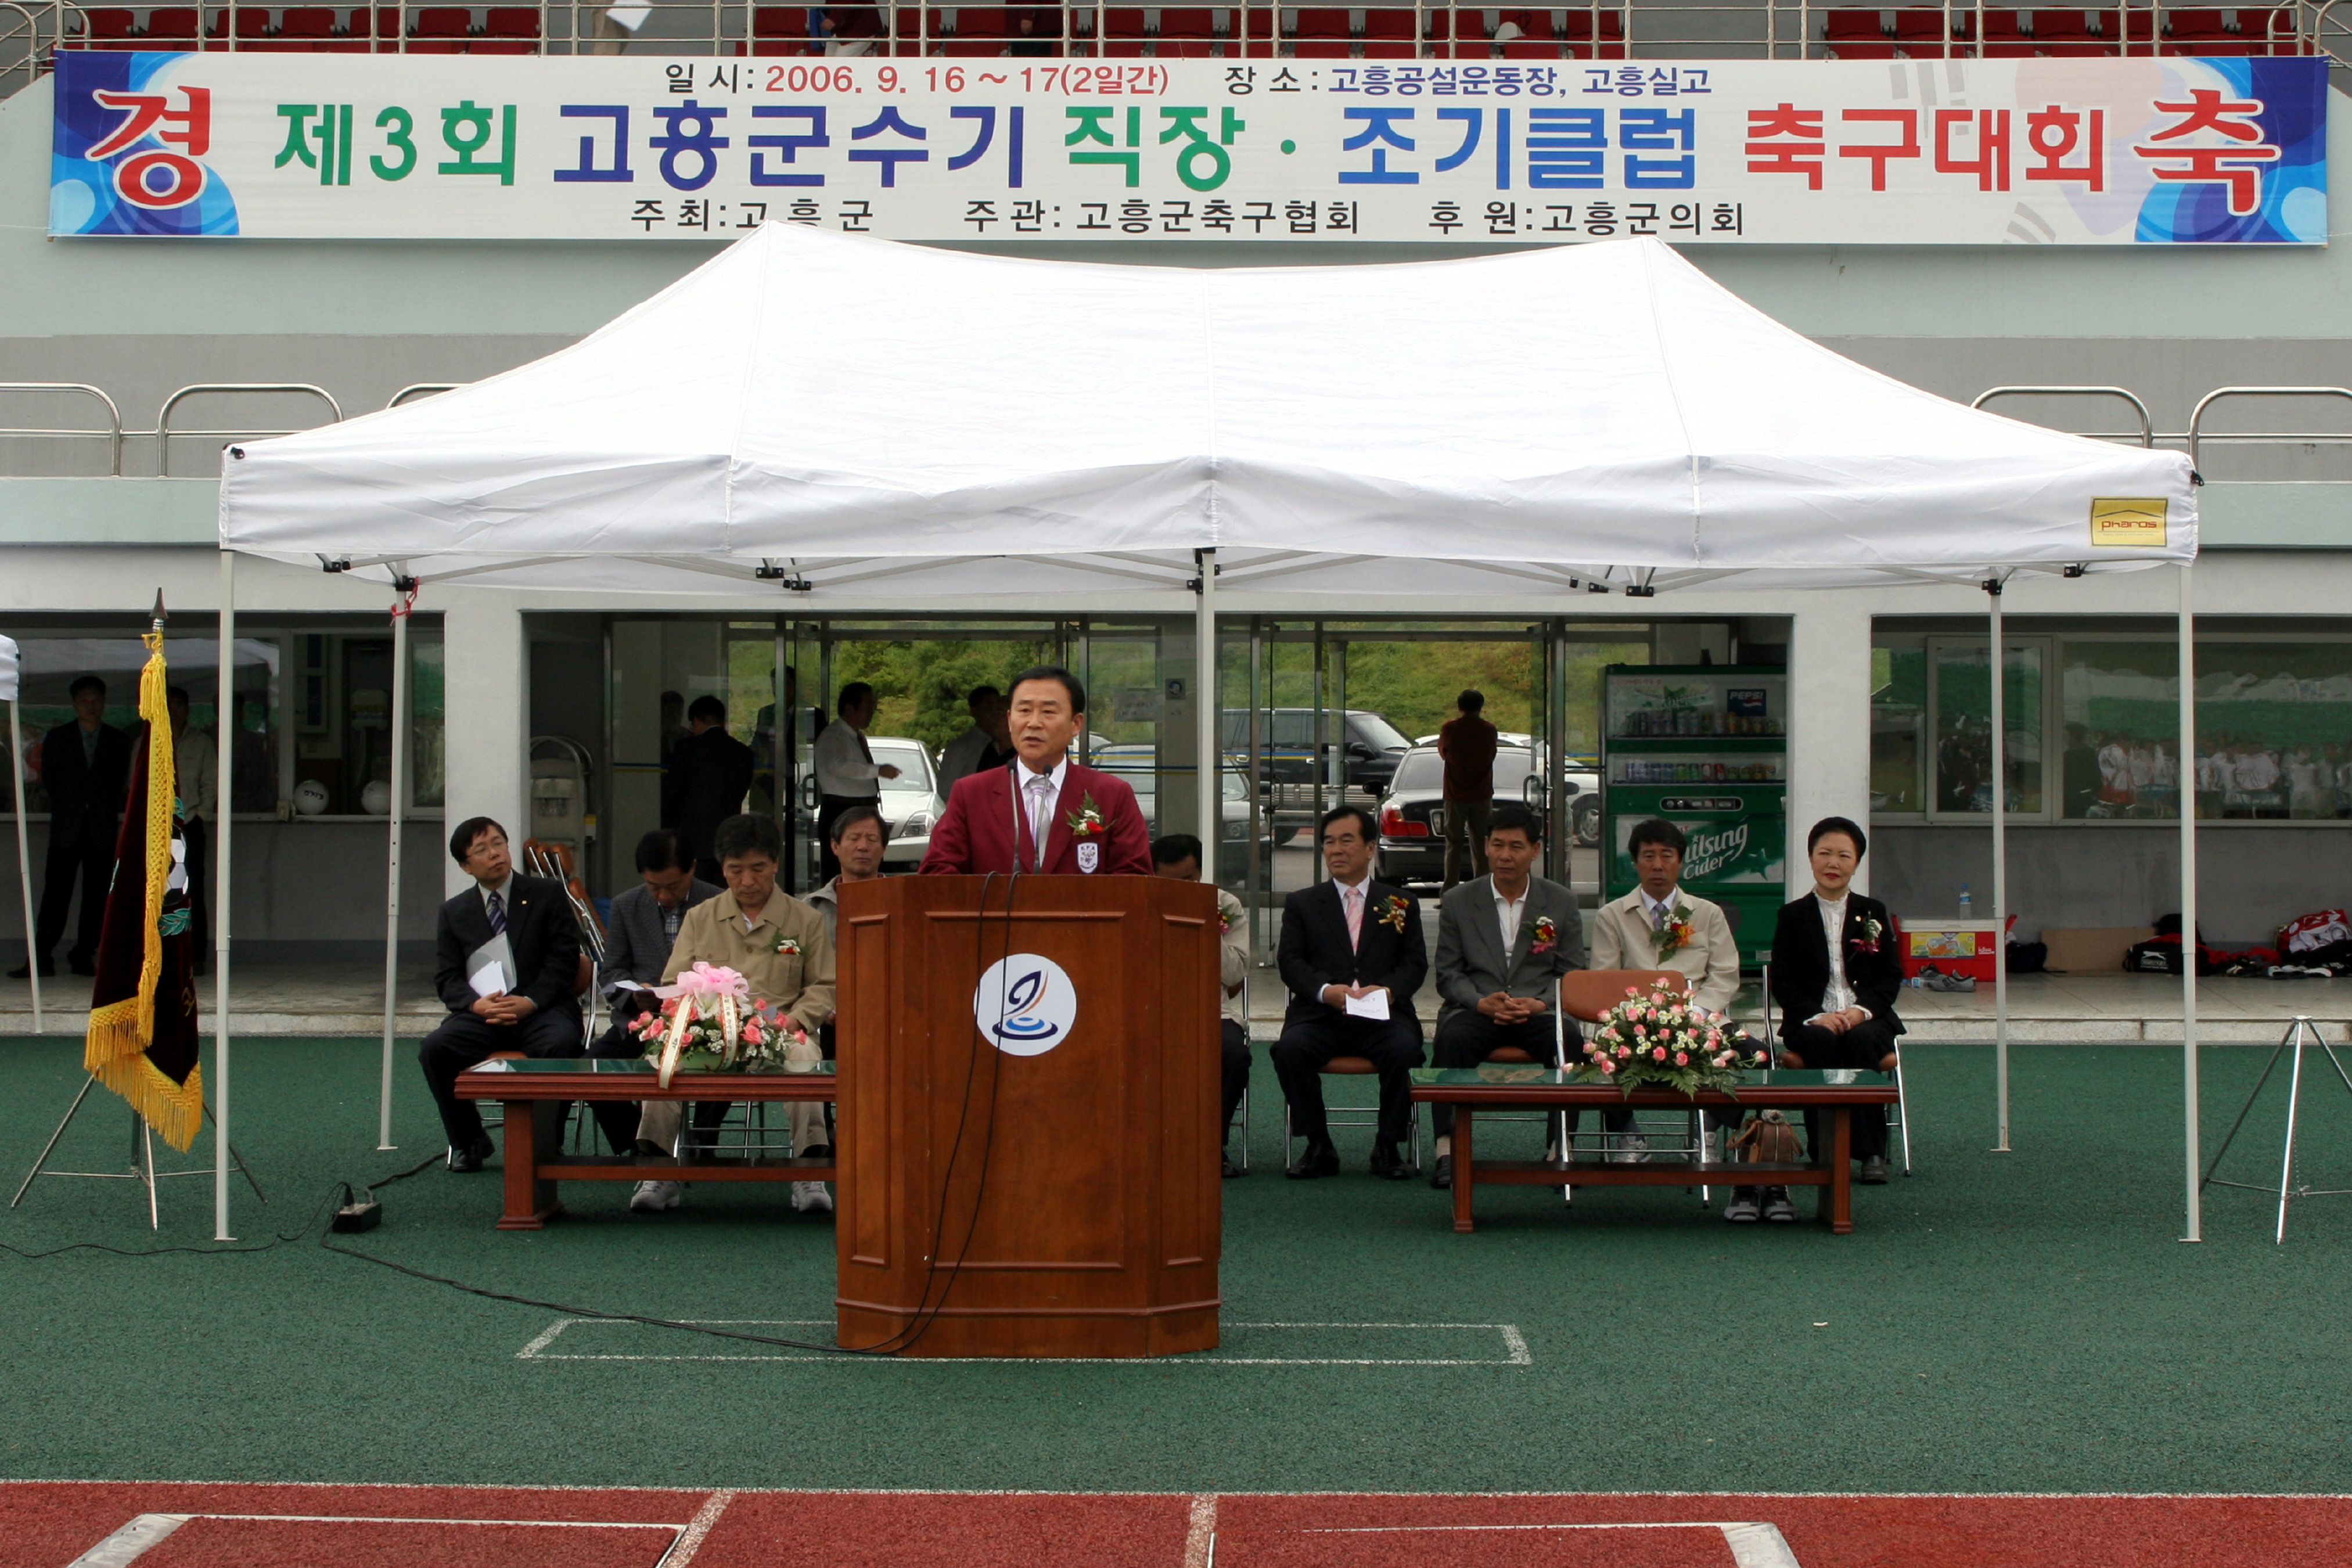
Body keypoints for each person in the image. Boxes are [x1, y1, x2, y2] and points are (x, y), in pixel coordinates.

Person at [630, 812, 835, 1218]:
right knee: (662, 1061)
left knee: (807, 1061)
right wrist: (697, 1018)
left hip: (780, 1030)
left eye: (758, 869)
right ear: (721, 869)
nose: (747, 881)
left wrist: (795, 1021)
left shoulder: (805, 919)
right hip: (709, 1032)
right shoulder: (701, 917)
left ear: (775, 864)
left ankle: (809, 1173)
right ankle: (658, 1172)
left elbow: (825, 986)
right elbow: (674, 982)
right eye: (735, 870)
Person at [1427, 802, 1584, 1190]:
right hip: (1478, 1008)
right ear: (1485, 846)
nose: (1505, 856)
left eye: (1516, 846)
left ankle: (1560, 1148)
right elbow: (1448, 974)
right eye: (1497, 845)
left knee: (1570, 1040)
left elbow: (1573, 974)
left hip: (1538, 1011)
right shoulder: (1459, 901)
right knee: (1451, 1039)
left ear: (1535, 850)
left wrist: (1542, 1002)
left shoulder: (1561, 902)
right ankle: (1448, 1149)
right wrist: (1480, 1001)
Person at [417, 818, 585, 1173]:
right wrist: (476, 1005)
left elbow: (564, 959)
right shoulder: (454, 912)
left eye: (498, 843)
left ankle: (546, 1142)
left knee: (563, 1045)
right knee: (436, 1049)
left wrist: (530, 1002)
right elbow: (447, 977)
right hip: (485, 1014)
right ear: (466, 866)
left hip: (543, 1009)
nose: (495, 854)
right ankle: (470, 1142)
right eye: (482, 850)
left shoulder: (548, 894)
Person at [1269, 805, 1427, 1181]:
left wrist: (1387, 992)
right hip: (1321, 1014)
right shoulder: (1302, 903)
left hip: (1384, 1015)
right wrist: (1326, 991)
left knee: (1405, 1052)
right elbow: (1291, 962)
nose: (1336, 850)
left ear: (1371, 848)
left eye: (1346, 840)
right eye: (1328, 842)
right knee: (1290, 1051)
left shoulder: (1401, 902)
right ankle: (1319, 1145)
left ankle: (1388, 1146)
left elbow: (1415, 964)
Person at [1588, 818, 1742, 1167]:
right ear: (1635, 862)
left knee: (1752, 1052)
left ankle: (1709, 1132)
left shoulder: (1707, 914)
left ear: (1681, 861)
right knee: (1597, 1053)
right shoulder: (1612, 916)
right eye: (1649, 856)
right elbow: (1604, 978)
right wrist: (1637, 1019)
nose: (1658, 865)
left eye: (1667, 856)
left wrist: (1697, 1015)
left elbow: (1725, 974)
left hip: (1700, 1019)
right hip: (1633, 1023)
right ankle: (1628, 1133)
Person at [1770, 815, 1905, 1201]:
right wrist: (1816, 1014)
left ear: (1857, 862)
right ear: (1811, 858)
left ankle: (1871, 1153)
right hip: (1811, 1018)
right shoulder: (1792, 916)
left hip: (1868, 1018)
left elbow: (1890, 976)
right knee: (1819, 1040)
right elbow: (1784, 980)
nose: (1834, 863)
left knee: (1862, 1043)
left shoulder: (1872, 911)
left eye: (1844, 855)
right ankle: (1825, 1150)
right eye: (1824, 853)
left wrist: (1861, 1010)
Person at [919, 666, 1150, 876]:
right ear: (1010, 720)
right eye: (1025, 710)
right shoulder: (971, 793)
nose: (1034, 723)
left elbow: (1134, 879)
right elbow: (937, 873)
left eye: (1049, 712)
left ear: (1076, 724)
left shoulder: (1111, 794)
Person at [584, 829, 721, 1155]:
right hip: (642, 1021)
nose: (663, 895)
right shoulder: (626, 906)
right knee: (592, 1068)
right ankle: (642, 1144)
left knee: (723, 1061)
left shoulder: (717, 903)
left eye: (672, 887)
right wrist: (634, 995)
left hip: (703, 1021)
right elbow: (612, 970)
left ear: (692, 869)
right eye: (653, 886)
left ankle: (701, 1141)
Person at [14, 675, 131, 979]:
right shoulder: (58, 738)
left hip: (102, 830)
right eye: (84, 700)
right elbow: (50, 781)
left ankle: (84, 954)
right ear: (74, 704)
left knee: (96, 897)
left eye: (96, 700)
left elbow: (119, 783)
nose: (90, 706)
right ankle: (41, 958)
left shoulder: (118, 740)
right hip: (66, 828)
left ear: (103, 703)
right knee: (55, 896)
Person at [1154, 832, 1250, 1178]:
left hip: (1210, 1010)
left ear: (1199, 873)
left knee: (1235, 1055)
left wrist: (1206, 922)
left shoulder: (1226, 905)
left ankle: (1211, 1144)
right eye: (1167, 882)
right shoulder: (1140, 903)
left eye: (1187, 881)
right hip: (1150, 1010)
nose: (1178, 890)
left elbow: (1236, 973)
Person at [805, 801, 885, 1074]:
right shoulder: (810, 909)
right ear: (835, 846)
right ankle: (822, 1119)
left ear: (883, 849)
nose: (863, 846)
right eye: (853, 839)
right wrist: (822, 1009)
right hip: (825, 1018)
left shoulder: (905, 905)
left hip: (886, 1017)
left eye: (872, 839)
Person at [663, 695, 756, 884]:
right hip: (728, 840)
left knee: (695, 898)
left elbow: (672, 792)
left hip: (693, 840)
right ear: (723, 721)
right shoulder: (742, 753)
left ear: (696, 721)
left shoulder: (687, 749)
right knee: (723, 899)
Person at [815, 681, 901, 882]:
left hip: (863, 807)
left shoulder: (854, 736)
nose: (872, 712)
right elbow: (838, 766)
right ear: (849, 708)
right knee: (840, 873)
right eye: (868, 706)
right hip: (841, 808)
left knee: (867, 868)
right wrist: (877, 770)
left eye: (873, 707)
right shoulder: (833, 736)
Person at [165, 685, 216, 971]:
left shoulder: (201, 743)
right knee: (157, 892)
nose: (175, 711)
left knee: (192, 889)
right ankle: (161, 954)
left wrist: (202, 816)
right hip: (157, 827)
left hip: (190, 825)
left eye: (180, 706)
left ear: (187, 710)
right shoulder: (148, 741)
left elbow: (211, 783)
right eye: (169, 705)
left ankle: (196, 956)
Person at [1437, 689, 1499, 890]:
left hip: (1455, 794)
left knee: (1453, 843)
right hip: (1481, 793)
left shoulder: (1451, 728)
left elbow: (1444, 752)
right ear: (1481, 707)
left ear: (1459, 706)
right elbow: (1491, 755)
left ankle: (1449, 891)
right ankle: (1481, 890)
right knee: (1481, 844)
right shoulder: (1489, 730)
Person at [937, 684, 1006, 793]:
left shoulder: (1005, 746)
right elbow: (946, 788)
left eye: (998, 708)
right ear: (975, 711)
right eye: (989, 705)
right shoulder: (960, 748)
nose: (994, 712)